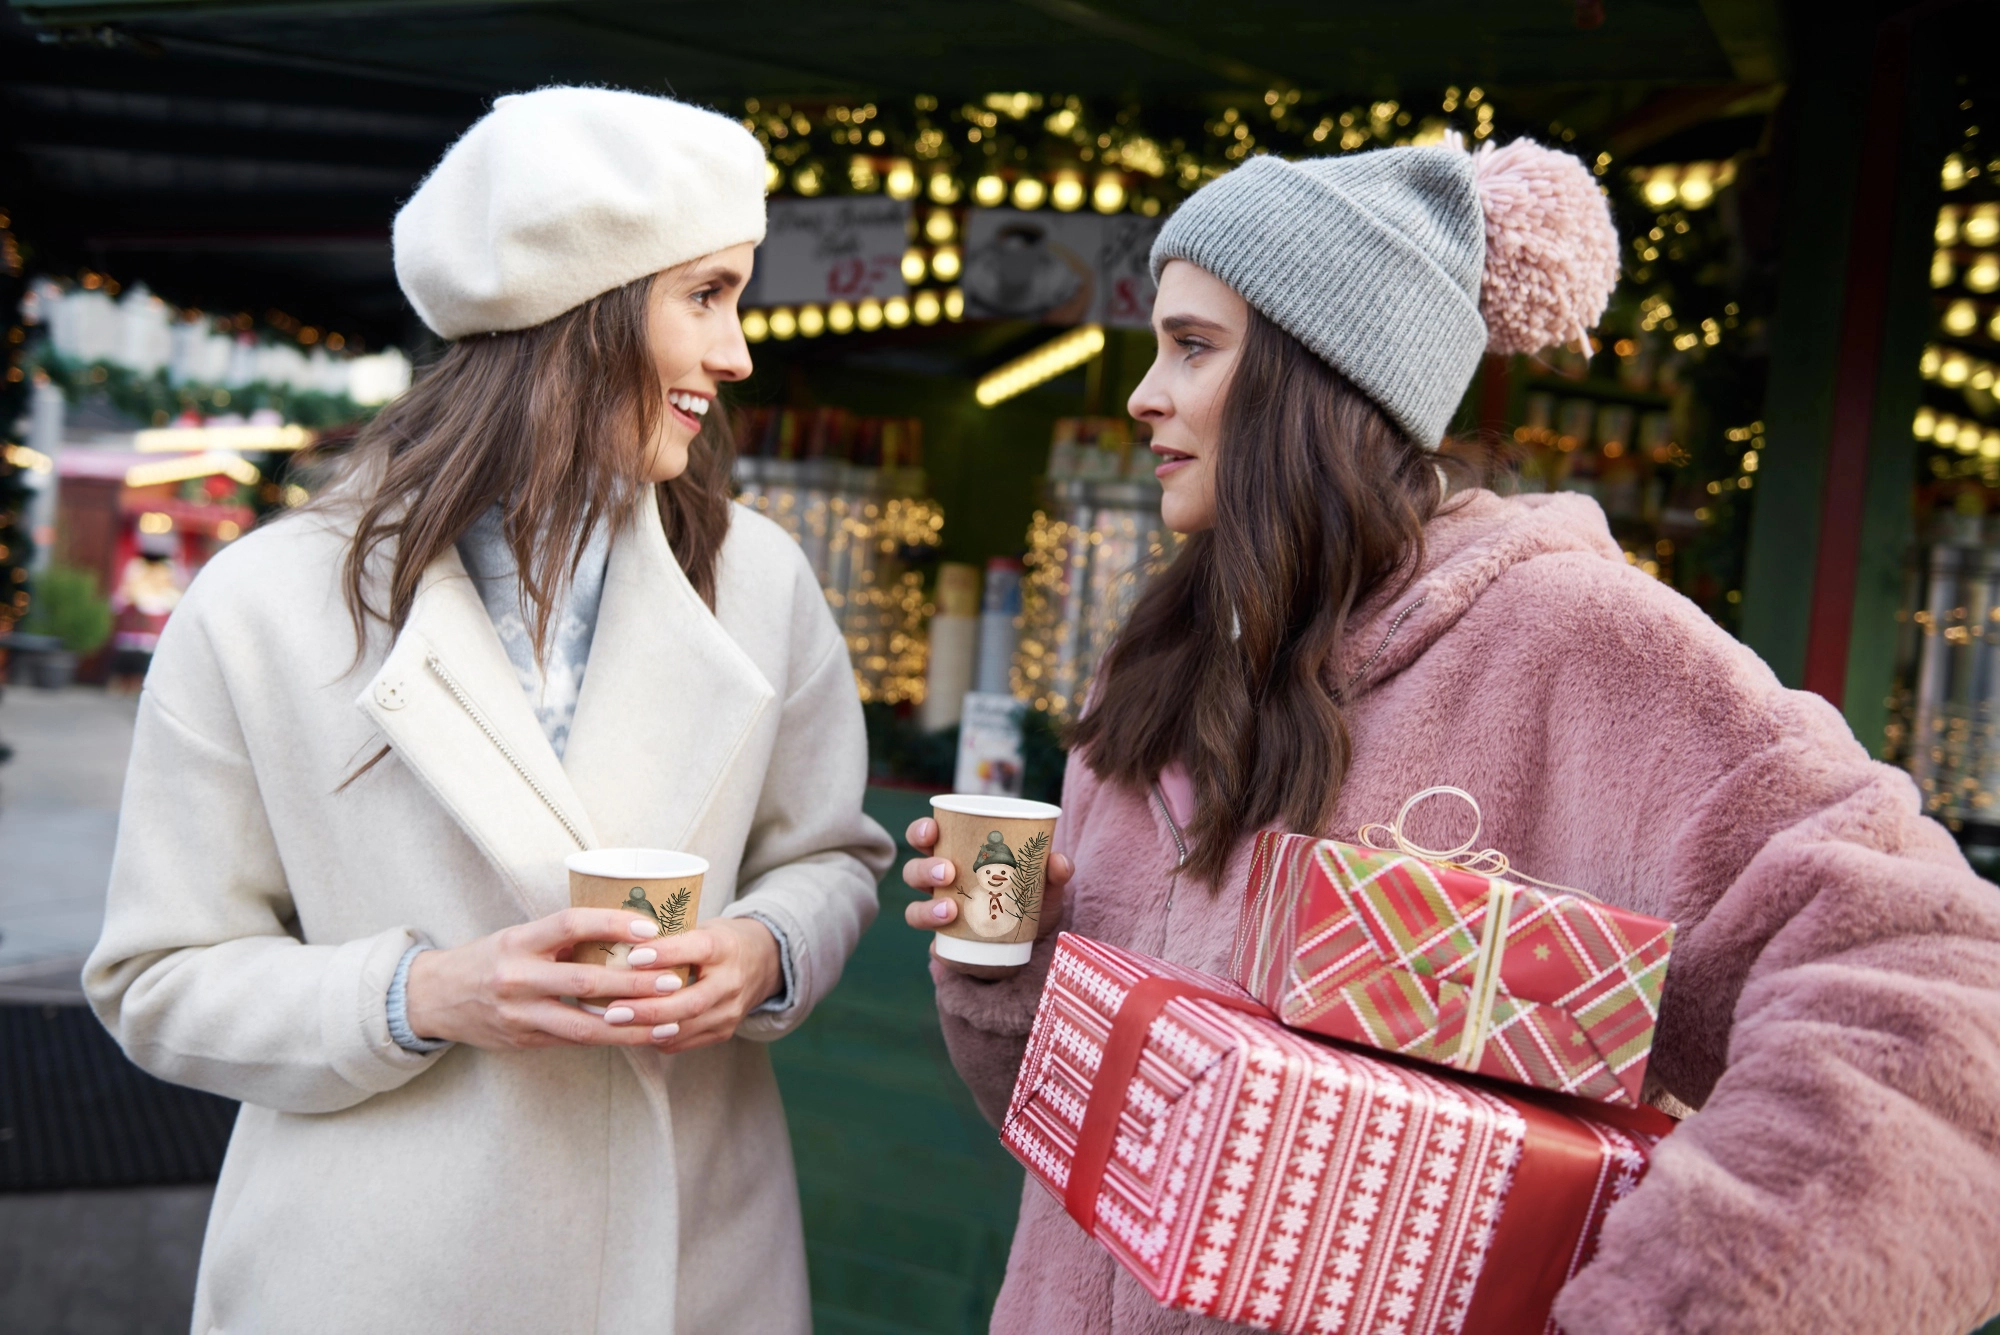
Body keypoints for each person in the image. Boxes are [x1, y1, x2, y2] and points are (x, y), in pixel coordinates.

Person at [903, 139, 2000, 1334]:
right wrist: (1014, 964)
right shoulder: (1158, 658)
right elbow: (1101, 1158)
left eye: (1194, 345)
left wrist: (1661, 1309)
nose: (1141, 392)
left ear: (1322, 376)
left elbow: (1939, 1010)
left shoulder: (1574, 641)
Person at [85, 86, 893, 1334]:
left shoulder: (757, 580)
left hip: (693, 1261)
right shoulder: (261, 605)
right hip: (376, 1276)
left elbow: (827, 858)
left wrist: (765, 953)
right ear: (581, 307)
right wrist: (420, 997)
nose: (737, 356)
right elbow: (157, 980)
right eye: (707, 296)